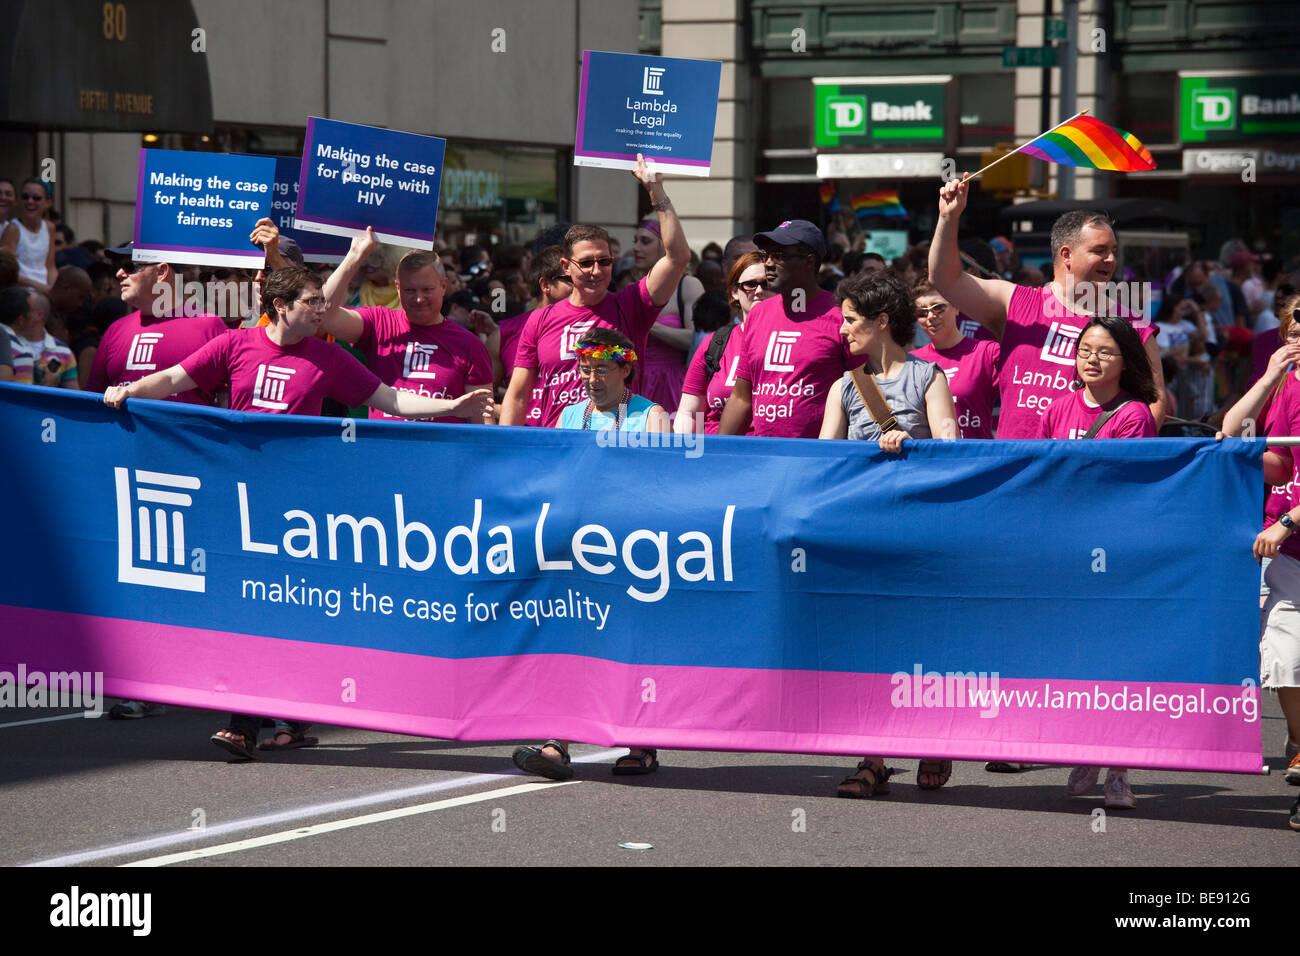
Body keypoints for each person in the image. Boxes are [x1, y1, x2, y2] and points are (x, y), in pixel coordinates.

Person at [102, 267, 491, 758]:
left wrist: (452, 404)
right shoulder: (236, 344)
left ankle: (268, 716)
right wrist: (128, 392)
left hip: (298, 505)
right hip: (237, 495)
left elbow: (390, 399)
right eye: (312, 301)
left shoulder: (329, 356)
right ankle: (248, 721)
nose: (322, 308)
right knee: (244, 605)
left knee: (284, 606)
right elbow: (177, 378)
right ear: (281, 306)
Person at [818, 271, 956, 796]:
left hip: (918, 534)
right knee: (869, 647)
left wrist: (912, 447)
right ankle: (872, 757)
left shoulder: (929, 378)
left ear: (881, 322)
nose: (842, 329)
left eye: (850, 320)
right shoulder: (842, 386)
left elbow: (951, 449)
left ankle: (933, 739)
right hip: (861, 534)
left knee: (921, 641)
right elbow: (824, 463)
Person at [512, 328, 667, 780]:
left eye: (601, 369)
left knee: (630, 644)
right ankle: (557, 742)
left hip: (633, 549)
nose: (591, 378)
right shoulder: (569, 415)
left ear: (625, 368)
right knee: (570, 642)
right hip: (579, 548)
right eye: (584, 368)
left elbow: (659, 484)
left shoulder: (651, 416)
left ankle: (642, 742)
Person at [929, 176, 1165, 437]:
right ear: (1066, 255)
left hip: (1085, 470)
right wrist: (948, 218)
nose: (1111, 259)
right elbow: (944, 279)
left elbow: (1155, 401)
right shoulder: (1015, 302)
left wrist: (1113, 460)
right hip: (1017, 468)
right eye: (1099, 250)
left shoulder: (1131, 322)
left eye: (1113, 250)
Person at [1039, 316, 1158, 808]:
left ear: (1125, 361)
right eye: (1085, 348)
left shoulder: (1135, 415)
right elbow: (1042, 474)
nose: (1091, 358)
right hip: (1063, 555)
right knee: (1077, 659)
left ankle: (1120, 771)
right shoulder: (1058, 406)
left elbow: (1120, 488)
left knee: (1117, 662)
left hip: (1113, 558)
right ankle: (1088, 747)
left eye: (1105, 352)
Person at [500, 155, 689, 428]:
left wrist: (655, 191)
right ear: (566, 266)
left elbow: (677, 258)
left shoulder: (632, 304)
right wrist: (509, 453)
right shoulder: (539, 320)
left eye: (605, 261)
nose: (596, 270)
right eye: (586, 262)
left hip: (619, 442)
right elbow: (518, 396)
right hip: (560, 450)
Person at [1222, 289, 1300, 796]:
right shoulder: (1288, 386)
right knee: (1285, 650)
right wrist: (1271, 376)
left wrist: (1287, 522)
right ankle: (1298, 739)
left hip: (1287, 533)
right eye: (1294, 330)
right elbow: (1232, 435)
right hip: (1287, 550)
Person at [320, 230, 494, 424]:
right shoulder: (379, 323)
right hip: (385, 448)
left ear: (444, 286)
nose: (419, 299)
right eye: (410, 290)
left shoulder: (469, 345)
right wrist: (355, 256)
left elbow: (482, 423)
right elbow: (324, 313)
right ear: (397, 287)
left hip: (442, 452)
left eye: (427, 289)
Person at [718, 220, 865, 438]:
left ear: (809, 261)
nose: (768, 263)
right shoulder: (758, 314)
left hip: (818, 459)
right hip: (764, 460)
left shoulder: (841, 316)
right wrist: (720, 453)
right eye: (766, 254)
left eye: (778, 255)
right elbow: (741, 397)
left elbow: (863, 390)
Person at [87, 248, 229, 407]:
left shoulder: (209, 326)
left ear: (161, 272)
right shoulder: (115, 330)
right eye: (117, 267)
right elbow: (94, 400)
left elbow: (228, 398)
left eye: (129, 266)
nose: (119, 273)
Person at [676, 250, 770, 435]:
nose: (759, 291)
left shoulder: (790, 340)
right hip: (714, 455)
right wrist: (683, 456)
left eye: (766, 284)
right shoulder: (716, 343)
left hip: (766, 454)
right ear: (735, 292)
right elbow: (689, 413)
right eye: (750, 284)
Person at [909, 274, 999, 439]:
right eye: (921, 312)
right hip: (932, 461)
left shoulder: (986, 353)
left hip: (977, 460)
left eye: (938, 308)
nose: (930, 317)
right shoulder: (912, 362)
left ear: (956, 307)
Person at [626, 218, 702, 414]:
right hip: (635, 382)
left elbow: (697, 340)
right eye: (635, 240)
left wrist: (648, 323)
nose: (635, 247)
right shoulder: (631, 289)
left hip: (674, 384)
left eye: (645, 241)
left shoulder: (688, 285)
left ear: (663, 246)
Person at [0, 286, 77, 387]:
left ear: (39, 315)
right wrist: (46, 386)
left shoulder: (64, 353)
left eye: (24, 307)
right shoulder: (13, 346)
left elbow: (74, 394)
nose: (17, 310)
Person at [0, 178, 56, 293]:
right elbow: (6, 272)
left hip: (44, 291)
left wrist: (52, 287)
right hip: (19, 293)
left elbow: (50, 266)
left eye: (36, 198)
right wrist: (40, 287)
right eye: (25, 197)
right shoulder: (12, 229)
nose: (30, 201)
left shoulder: (50, 227)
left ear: (48, 203)